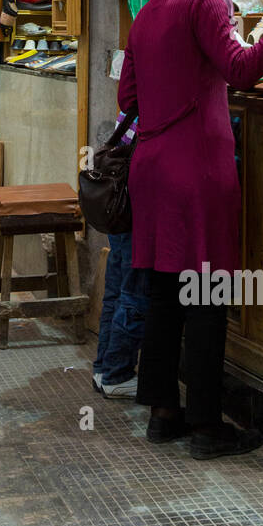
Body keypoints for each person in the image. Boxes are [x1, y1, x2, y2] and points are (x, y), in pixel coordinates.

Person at [117, 0, 263, 460]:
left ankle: (162, 412)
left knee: (167, 288)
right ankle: (206, 425)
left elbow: (128, 98)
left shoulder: (148, 11)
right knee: (209, 292)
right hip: (197, 166)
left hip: (152, 166)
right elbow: (240, 71)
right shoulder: (206, 2)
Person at [92, 114, 151, 398]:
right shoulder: (156, 99)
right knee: (135, 289)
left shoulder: (132, 100)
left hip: (119, 206)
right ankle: (118, 373)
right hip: (135, 203)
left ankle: (103, 369)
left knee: (116, 290)